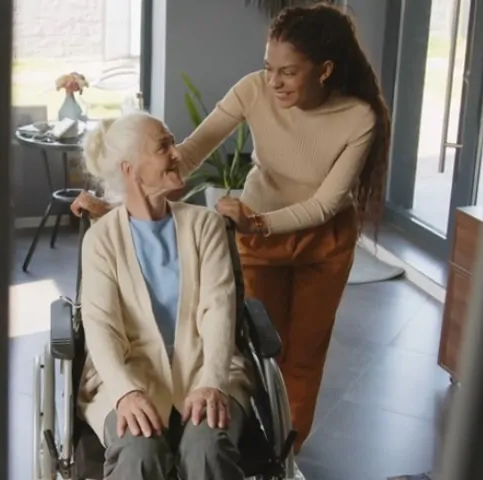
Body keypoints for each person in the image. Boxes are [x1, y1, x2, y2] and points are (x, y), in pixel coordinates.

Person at [72, 3, 391, 454]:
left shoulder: (360, 118)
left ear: (325, 70)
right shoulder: (253, 90)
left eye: (288, 72)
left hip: (323, 238)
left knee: (304, 356)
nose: (273, 81)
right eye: (268, 68)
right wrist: (120, 199)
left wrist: (256, 220)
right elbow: (190, 152)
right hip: (256, 235)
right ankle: (226, 433)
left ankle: (285, 454)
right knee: (259, 345)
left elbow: (325, 204)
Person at [77, 110, 253, 480]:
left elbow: (219, 309)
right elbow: (100, 327)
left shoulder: (205, 225)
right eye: (163, 146)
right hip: (128, 374)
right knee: (138, 451)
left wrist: (211, 381)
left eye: (172, 142)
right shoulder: (101, 239)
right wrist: (125, 392)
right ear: (130, 169)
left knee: (206, 449)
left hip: (206, 367)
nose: (176, 153)